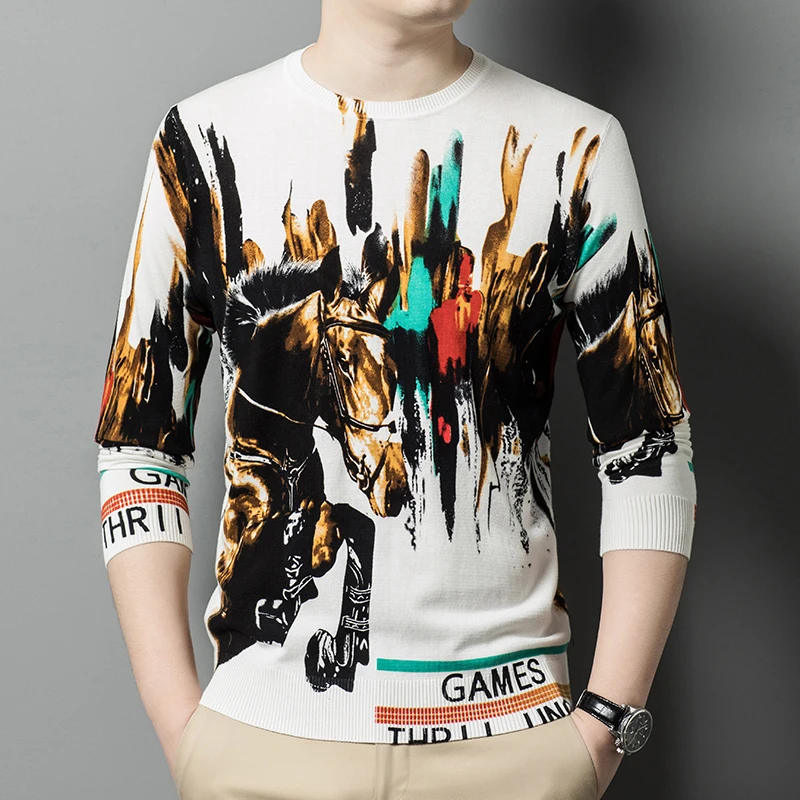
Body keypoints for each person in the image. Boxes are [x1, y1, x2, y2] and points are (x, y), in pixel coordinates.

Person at [93, 1, 697, 798]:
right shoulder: (203, 141)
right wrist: (184, 729)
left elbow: (649, 448)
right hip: (262, 751)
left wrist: (605, 727)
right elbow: (139, 445)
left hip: (513, 748)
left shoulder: (574, 147)